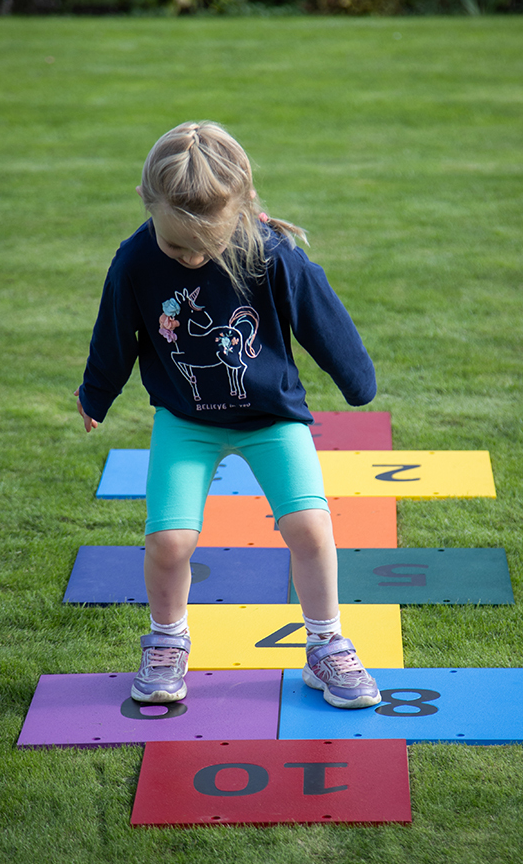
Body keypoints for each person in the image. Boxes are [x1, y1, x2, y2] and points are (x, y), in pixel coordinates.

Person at [75, 120, 381, 710]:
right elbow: (115, 333)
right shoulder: (135, 260)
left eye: (203, 248)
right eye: (175, 247)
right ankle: (167, 642)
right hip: (186, 422)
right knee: (168, 540)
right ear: (146, 202)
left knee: (310, 529)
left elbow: (324, 320)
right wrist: (96, 394)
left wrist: (357, 382)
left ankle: (326, 644)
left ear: (240, 207)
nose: (189, 258)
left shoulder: (271, 253)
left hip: (271, 419)